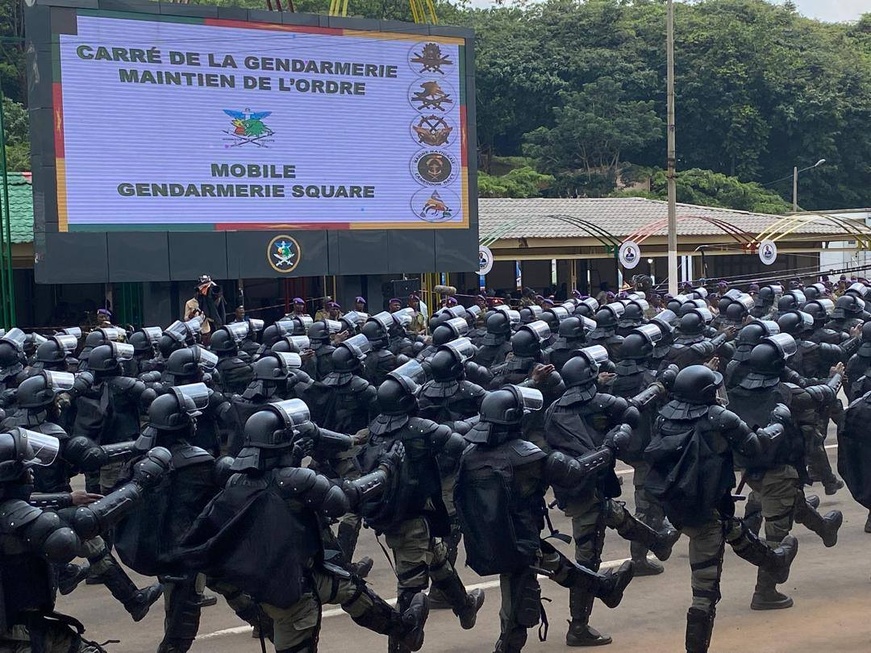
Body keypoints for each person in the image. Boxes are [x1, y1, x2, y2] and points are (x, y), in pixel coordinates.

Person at [175, 400, 431, 653]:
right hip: (287, 591)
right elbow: (344, 499)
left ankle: (403, 630)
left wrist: (293, 455)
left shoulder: (236, 481)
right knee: (298, 634)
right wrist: (387, 468)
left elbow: (271, 481)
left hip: (280, 574)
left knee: (350, 589)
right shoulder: (294, 480)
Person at [455, 385, 636, 653]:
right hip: (517, 543)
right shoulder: (524, 457)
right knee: (518, 615)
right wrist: (609, 448)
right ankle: (603, 588)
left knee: (549, 560)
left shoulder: (469, 455)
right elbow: (575, 471)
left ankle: (605, 587)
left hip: (489, 541)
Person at [645, 365, 799, 652]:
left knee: (731, 527)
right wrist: (778, 423)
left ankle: (774, 561)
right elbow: (754, 447)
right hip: (705, 507)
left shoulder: (665, 416)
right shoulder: (719, 417)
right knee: (704, 592)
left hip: (677, 504)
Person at [544, 347, 679, 646]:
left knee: (615, 514)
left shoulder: (554, 410)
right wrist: (617, 435)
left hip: (574, 487)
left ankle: (657, 541)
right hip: (585, 488)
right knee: (587, 559)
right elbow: (631, 410)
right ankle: (578, 626)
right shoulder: (599, 403)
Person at [0, 429, 171, 651]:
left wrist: (68, 498)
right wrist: (138, 485)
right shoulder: (12, 516)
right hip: (14, 633)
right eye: (25, 468)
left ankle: (128, 597)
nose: (32, 473)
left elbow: (35, 504)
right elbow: (74, 531)